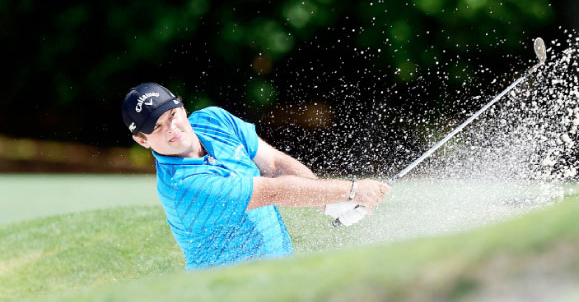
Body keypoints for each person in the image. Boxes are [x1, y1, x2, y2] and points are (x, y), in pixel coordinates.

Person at [122, 82, 390, 270]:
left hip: (280, 275)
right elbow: (273, 191)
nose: (173, 128)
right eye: (157, 127)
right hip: (230, 296)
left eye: (172, 115)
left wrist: (327, 202)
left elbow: (274, 164)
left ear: (181, 107)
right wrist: (352, 191)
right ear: (142, 141)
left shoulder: (214, 120)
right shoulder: (183, 187)